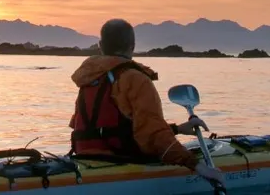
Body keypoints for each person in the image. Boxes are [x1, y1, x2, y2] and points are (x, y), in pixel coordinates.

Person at [69, 18, 223, 183]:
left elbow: (119, 129)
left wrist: (176, 129)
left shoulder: (91, 79)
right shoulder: (135, 79)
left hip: (85, 157)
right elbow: (153, 136)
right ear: (132, 46)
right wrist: (199, 166)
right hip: (122, 158)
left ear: (100, 45)